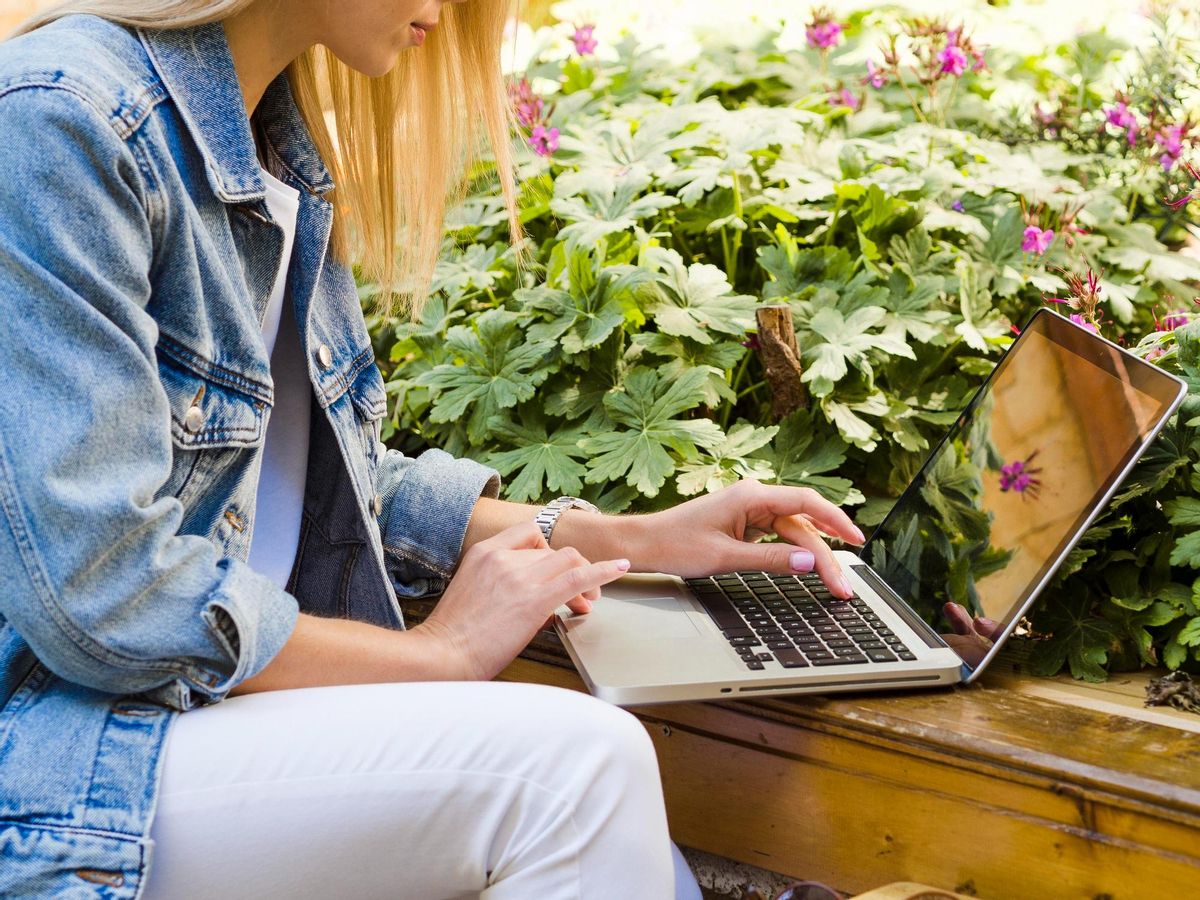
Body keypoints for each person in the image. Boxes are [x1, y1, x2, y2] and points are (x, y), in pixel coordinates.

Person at [0, 1, 865, 897]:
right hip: (63, 752)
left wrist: (630, 540)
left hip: (186, 724)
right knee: (571, 771)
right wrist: (439, 656)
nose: (449, 14)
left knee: (638, 844)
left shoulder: (268, 143)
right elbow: (101, 589)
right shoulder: (61, 118)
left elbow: (332, 484)